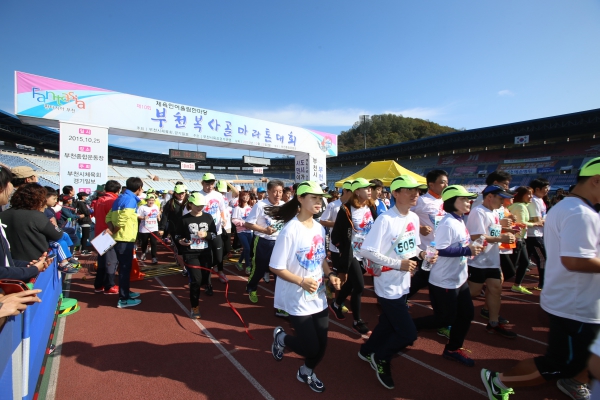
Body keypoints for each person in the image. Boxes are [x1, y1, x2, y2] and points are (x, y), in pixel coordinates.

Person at [481, 157, 600, 400]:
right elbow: (575, 260)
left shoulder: (573, 208)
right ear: (596, 181)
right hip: (574, 304)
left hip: (578, 300)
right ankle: (499, 380)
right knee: (560, 363)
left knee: (583, 358)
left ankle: (575, 381)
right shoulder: (579, 213)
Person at [357, 175, 433, 389]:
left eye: (417, 190)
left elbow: (414, 248)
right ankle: (381, 357)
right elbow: (367, 250)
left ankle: (365, 351)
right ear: (396, 193)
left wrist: (424, 254)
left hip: (403, 283)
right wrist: (398, 264)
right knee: (408, 334)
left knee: (388, 323)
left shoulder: (414, 218)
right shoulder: (385, 219)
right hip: (387, 284)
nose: (415, 193)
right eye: (409, 190)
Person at [268, 181, 341, 393]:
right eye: (314, 198)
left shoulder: (319, 227)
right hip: (297, 295)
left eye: (321, 198)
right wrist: (301, 281)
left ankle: (306, 372)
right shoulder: (290, 230)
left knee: (322, 344)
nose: (320, 202)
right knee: (311, 347)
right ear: (300, 199)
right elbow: (275, 267)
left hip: (317, 294)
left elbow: (320, 257)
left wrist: (330, 274)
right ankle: (282, 338)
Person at [412, 185, 482, 366]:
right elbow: (440, 249)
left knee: (466, 314)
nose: (468, 202)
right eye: (464, 199)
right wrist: (467, 250)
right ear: (452, 202)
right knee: (444, 319)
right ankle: (407, 325)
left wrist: (470, 248)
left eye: (469, 199)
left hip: (459, 278)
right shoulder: (448, 222)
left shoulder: (459, 220)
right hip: (443, 280)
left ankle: (452, 348)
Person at [466, 185, 516, 339]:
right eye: (500, 198)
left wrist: (505, 230)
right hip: (478, 261)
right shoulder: (478, 212)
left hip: (492, 259)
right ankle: (448, 306)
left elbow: (490, 232)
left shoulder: (494, 212)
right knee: (473, 292)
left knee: (496, 289)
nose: (503, 202)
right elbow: (476, 236)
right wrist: (502, 238)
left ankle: (493, 323)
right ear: (489, 197)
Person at [330, 177, 377, 336]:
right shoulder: (346, 209)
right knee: (359, 286)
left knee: (350, 283)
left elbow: (376, 226)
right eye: (366, 188)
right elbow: (336, 235)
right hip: (352, 254)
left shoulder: (371, 206)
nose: (370, 190)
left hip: (367, 253)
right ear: (357, 191)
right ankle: (357, 321)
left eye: (370, 188)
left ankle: (336, 303)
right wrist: (344, 249)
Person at [0, 164, 50, 281]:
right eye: (8, 181)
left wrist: (28, 265)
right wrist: (32, 270)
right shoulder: (34, 215)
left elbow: (5, 262)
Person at [408, 169, 448, 304]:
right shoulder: (422, 201)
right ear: (431, 185)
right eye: (442, 183)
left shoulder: (446, 201)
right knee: (426, 277)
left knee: (428, 278)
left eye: (447, 182)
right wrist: (420, 228)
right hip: (427, 249)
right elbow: (405, 217)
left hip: (443, 248)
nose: (446, 186)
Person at [244, 179, 284, 311]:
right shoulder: (260, 205)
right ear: (268, 192)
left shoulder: (284, 205)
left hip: (280, 242)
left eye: (280, 191)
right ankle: (252, 287)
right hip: (263, 241)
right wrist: (264, 230)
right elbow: (248, 224)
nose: (278, 195)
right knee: (259, 268)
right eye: (275, 192)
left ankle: (280, 302)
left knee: (281, 271)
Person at [177, 193, 217, 319]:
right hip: (190, 254)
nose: (200, 207)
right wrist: (181, 241)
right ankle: (195, 306)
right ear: (190, 204)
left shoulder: (208, 217)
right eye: (197, 205)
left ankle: (196, 284)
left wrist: (206, 235)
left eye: (202, 205)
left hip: (205, 253)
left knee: (204, 280)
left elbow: (214, 235)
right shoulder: (184, 219)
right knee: (196, 281)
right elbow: (178, 236)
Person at [106, 177, 144, 308]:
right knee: (125, 269)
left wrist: (112, 229)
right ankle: (123, 298)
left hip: (120, 238)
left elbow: (108, 217)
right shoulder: (130, 200)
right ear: (139, 189)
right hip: (125, 238)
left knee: (124, 268)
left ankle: (126, 292)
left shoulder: (119, 198)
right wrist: (115, 229)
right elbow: (122, 219)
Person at [1, 183, 64, 261]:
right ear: (38, 199)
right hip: (35, 262)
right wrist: (55, 226)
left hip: (10, 262)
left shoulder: (3, 215)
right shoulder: (36, 216)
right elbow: (57, 234)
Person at [320, 181, 352, 307]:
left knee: (347, 276)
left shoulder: (354, 206)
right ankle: (338, 302)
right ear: (345, 191)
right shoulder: (333, 205)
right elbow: (322, 221)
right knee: (340, 274)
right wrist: (339, 224)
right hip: (336, 246)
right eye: (352, 192)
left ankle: (332, 289)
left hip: (351, 247)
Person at [507, 187, 543, 295]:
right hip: (518, 238)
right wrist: (535, 224)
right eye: (529, 194)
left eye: (531, 194)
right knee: (514, 264)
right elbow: (521, 222)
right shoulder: (521, 206)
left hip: (517, 237)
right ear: (521, 195)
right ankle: (496, 284)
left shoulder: (518, 206)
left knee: (521, 262)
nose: (531, 196)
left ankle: (516, 285)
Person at [93, 180, 121, 294]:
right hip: (109, 233)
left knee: (102, 260)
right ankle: (109, 285)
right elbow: (115, 219)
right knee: (111, 261)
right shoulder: (113, 201)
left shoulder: (99, 200)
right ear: (118, 190)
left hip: (99, 232)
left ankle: (99, 284)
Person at [199, 173, 228, 284]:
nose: (210, 186)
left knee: (219, 254)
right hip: (204, 231)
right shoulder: (198, 195)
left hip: (217, 229)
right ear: (202, 183)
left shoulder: (218, 195)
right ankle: (205, 276)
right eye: (207, 184)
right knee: (206, 254)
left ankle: (220, 272)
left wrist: (223, 219)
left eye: (212, 184)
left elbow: (222, 209)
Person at [159, 184, 190, 277]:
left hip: (188, 229)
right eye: (179, 193)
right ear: (175, 193)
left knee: (188, 249)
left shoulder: (189, 201)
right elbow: (165, 216)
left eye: (182, 193)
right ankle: (184, 269)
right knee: (180, 250)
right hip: (175, 230)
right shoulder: (170, 203)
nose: (181, 195)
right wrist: (162, 228)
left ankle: (190, 266)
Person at [526, 178, 550, 290]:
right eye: (545, 188)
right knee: (543, 258)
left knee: (526, 261)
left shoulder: (541, 200)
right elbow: (538, 220)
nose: (547, 190)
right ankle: (543, 283)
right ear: (537, 189)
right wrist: (550, 219)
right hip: (533, 234)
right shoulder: (534, 200)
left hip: (539, 233)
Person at [232, 190, 253, 274]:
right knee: (247, 248)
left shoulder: (250, 208)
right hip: (241, 231)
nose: (246, 197)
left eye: (248, 195)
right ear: (241, 197)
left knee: (246, 249)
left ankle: (239, 262)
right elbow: (233, 220)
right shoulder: (237, 208)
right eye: (244, 195)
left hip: (250, 231)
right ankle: (248, 266)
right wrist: (243, 223)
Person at [137, 194, 160, 264]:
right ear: (146, 200)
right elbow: (137, 216)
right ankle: (144, 252)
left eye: (153, 200)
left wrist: (158, 217)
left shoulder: (156, 206)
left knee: (154, 243)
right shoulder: (142, 207)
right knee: (144, 243)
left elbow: (158, 213)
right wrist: (143, 218)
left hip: (154, 228)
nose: (151, 202)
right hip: (144, 229)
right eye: (150, 200)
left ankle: (154, 257)